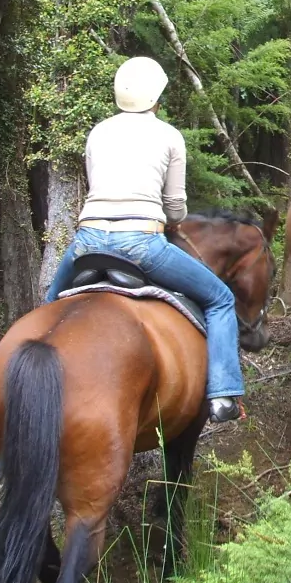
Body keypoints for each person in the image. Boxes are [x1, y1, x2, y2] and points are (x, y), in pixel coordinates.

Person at [43, 56, 244, 424]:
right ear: (156, 98)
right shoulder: (169, 135)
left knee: (49, 305)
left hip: (87, 242)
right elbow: (175, 205)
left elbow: (95, 185)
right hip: (140, 244)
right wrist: (173, 219)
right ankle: (222, 395)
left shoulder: (98, 132)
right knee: (220, 299)